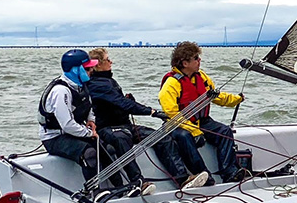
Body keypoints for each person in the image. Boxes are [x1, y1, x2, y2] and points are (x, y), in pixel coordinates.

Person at [85, 48, 208, 194]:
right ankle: (137, 182)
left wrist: (130, 102)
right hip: (107, 128)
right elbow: (122, 103)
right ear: (98, 65)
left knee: (161, 137)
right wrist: (152, 112)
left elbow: (121, 103)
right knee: (121, 139)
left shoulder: (108, 80)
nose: (111, 61)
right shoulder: (96, 84)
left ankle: (182, 179)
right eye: (107, 59)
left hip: (125, 125)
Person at [159, 41, 251, 184]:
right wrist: (195, 132)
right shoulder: (171, 84)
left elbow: (216, 96)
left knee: (224, 131)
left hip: (202, 122)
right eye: (196, 58)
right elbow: (172, 113)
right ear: (185, 63)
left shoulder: (201, 77)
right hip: (179, 125)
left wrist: (236, 100)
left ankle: (229, 172)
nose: (199, 61)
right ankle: (202, 175)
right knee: (184, 137)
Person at [38, 49, 125, 199]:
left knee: (107, 148)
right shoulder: (61, 91)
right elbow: (67, 125)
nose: (91, 70)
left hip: (75, 132)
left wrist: (91, 121)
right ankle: (94, 190)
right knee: (89, 153)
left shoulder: (81, 85)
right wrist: (89, 133)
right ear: (76, 70)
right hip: (55, 138)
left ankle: (120, 187)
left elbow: (89, 107)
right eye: (87, 68)